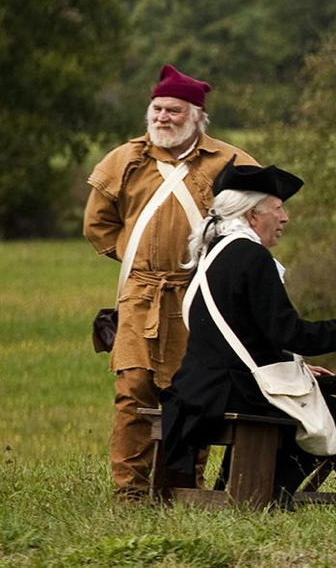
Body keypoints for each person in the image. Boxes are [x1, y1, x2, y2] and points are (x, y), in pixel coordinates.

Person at [160, 161, 336, 506]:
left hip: (197, 389)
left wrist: (298, 367)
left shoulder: (213, 253)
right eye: (278, 208)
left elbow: (245, 335)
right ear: (252, 214)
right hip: (232, 391)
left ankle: (234, 488)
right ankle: (266, 496)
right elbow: (290, 333)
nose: (285, 217)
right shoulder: (252, 256)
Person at [83, 64, 258, 500]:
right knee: (132, 392)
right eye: (157, 109)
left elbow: (258, 214)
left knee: (194, 393)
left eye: (174, 111)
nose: (162, 117)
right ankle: (131, 491)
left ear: (197, 116)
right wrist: (136, 259)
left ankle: (182, 485)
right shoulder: (125, 160)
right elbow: (97, 224)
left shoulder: (229, 162)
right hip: (141, 294)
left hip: (200, 296)